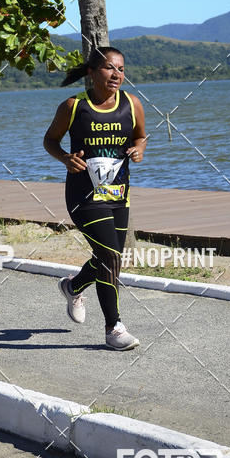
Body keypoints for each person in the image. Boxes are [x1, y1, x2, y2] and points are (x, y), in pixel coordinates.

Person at [43, 46, 147, 350]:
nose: (116, 74)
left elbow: (140, 136)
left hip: (118, 195)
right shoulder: (73, 106)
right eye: (109, 68)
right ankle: (113, 328)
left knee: (109, 257)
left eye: (121, 69)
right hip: (83, 197)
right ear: (92, 72)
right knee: (111, 257)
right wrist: (65, 158)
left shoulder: (132, 103)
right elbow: (50, 140)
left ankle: (73, 286)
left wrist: (139, 149)